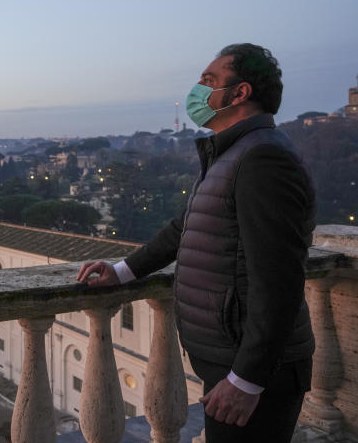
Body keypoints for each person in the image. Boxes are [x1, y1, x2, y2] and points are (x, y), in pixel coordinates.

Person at [77, 44, 315, 443]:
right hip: (232, 360)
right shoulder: (235, 154)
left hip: (253, 371)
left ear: (239, 94)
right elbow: (185, 228)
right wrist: (122, 271)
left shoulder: (262, 159)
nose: (197, 90)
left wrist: (247, 380)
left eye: (208, 80)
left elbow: (279, 278)